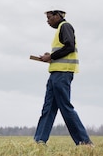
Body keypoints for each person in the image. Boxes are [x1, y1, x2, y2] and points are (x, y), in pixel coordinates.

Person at [33, 10, 94, 147]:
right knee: (48, 109)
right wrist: (51, 55)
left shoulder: (65, 26)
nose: (47, 21)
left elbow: (70, 46)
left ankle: (84, 142)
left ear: (57, 16)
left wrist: (51, 57)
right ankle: (39, 142)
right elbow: (64, 49)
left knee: (65, 107)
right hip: (55, 73)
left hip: (62, 74)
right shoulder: (61, 29)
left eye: (49, 18)